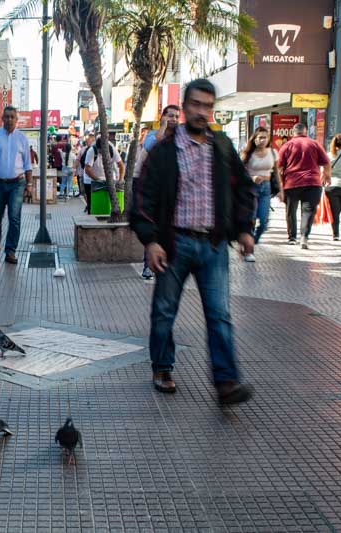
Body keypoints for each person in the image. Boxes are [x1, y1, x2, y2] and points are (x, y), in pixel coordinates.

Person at [130, 78, 256, 405]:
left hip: (213, 245)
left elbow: (244, 189)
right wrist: (151, 241)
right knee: (164, 311)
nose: (203, 112)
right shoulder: (164, 151)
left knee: (219, 314)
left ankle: (226, 382)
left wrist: (243, 229)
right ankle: (162, 367)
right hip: (175, 245)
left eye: (209, 106)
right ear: (184, 108)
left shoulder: (223, 147)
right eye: (197, 105)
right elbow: (143, 197)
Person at [0, 106, 32, 264]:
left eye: (12, 117)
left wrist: (29, 185)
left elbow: (28, 165)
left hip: (17, 183)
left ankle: (10, 251)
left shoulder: (22, 139)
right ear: (2, 119)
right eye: (6, 117)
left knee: (14, 218)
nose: (9, 120)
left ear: (17, 120)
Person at [138, 105, 180, 279]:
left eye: (177, 116)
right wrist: (162, 127)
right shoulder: (152, 135)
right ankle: (148, 265)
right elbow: (150, 148)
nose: (174, 119)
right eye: (170, 116)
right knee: (154, 231)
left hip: (175, 192)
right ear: (162, 117)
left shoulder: (182, 137)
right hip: (155, 192)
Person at [278, 123, 331, 249]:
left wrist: (280, 182)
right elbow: (326, 162)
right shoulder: (315, 144)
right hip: (312, 183)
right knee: (308, 212)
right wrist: (326, 175)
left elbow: (279, 167)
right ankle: (304, 237)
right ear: (305, 131)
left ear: (293, 133)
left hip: (291, 183)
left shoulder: (287, 145)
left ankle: (292, 238)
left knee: (291, 211)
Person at [240, 127, 281, 255]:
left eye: (265, 137)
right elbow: (241, 173)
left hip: (266, 187)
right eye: (260, 137)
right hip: (251, 188)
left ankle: (253, 240)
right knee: (251, 219)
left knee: (263, 221)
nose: (263, 140)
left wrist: (281, 190)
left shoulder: (273, 153)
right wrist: (252, 178)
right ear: (255, 139)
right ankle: (249, 250)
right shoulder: (247, 154)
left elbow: (277, 173)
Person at [84, 135, 126, 211]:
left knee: (107, 204)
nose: (102, 153)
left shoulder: (112, 149)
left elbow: (121, 166)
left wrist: (120, 179)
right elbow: (87, 169)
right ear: (98, 148)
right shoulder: (91, 151)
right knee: (93, 206)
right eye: (101, 151)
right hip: (91, 180)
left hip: (109, 180)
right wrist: (98, 180)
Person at [75, 134, 95, 201]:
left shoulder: (96, 150)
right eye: (86, 140)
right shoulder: (83, 149)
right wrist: (74, 169)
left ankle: (90, 204)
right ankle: (88, 204)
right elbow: (77, 160)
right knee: (83, 192)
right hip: (83, 173)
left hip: (93, 174)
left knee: (92, 192)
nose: (87, 141)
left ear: (93, 140)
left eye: (88, 140)